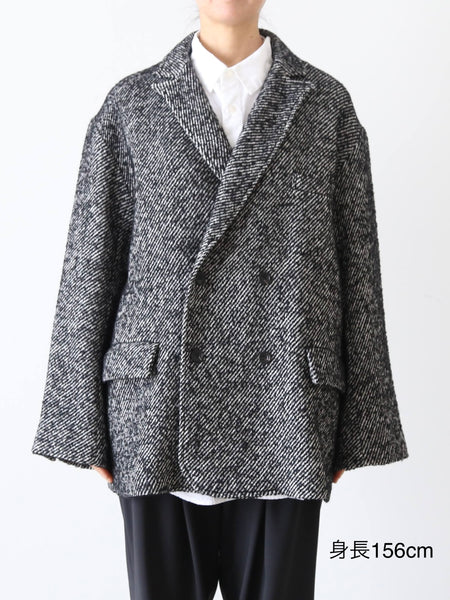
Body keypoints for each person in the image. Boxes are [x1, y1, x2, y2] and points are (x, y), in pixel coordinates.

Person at [31, 1, 409, 598]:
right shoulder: (131, 106)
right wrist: (79, 417)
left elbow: (358, 270)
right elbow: (91, 262)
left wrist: (361, 420)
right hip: (157, 408)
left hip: (286, 406)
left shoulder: (325, 106)